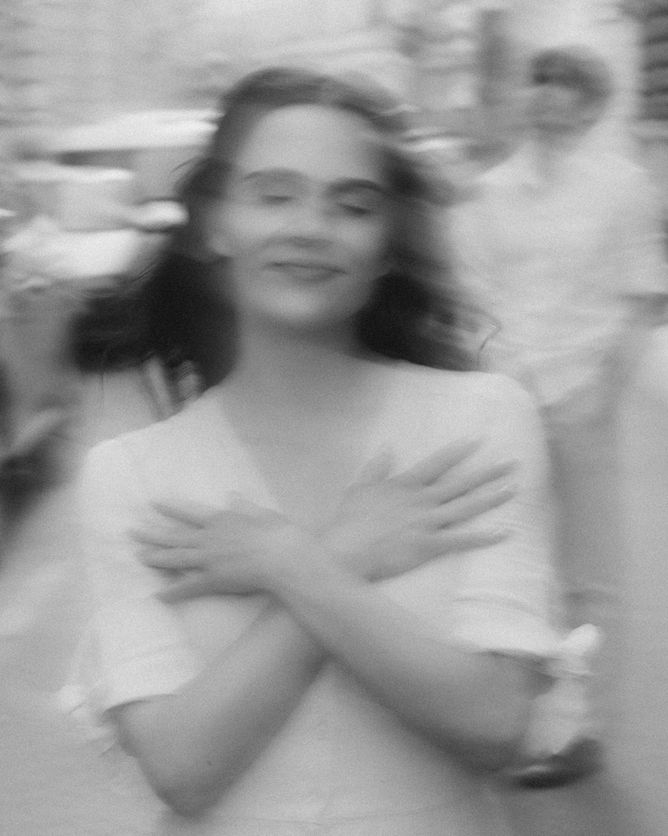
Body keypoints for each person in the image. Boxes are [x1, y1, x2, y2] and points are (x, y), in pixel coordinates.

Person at [67, 67, 560, 835]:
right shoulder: (131, 475)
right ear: (214, 226)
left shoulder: (483, 421)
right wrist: (337, 554)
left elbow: (496, 724)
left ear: (387, 244)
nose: (310, 227)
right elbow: (181, 770)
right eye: (274, 195)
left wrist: (291, 563)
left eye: (353, 205)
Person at [449, 45, 668, 627]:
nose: (546, 96)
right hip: (508, 388)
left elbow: (643, 296)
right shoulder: (491, 191)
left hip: (585, 393)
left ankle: (587, 675)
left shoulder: (624, 189)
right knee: (505, 537)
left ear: (593, 107)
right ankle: (518, 656)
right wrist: (494, 377)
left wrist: (602, 395)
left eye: (564, 85)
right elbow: (473, 293)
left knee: (590, 559)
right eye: (539, 82)